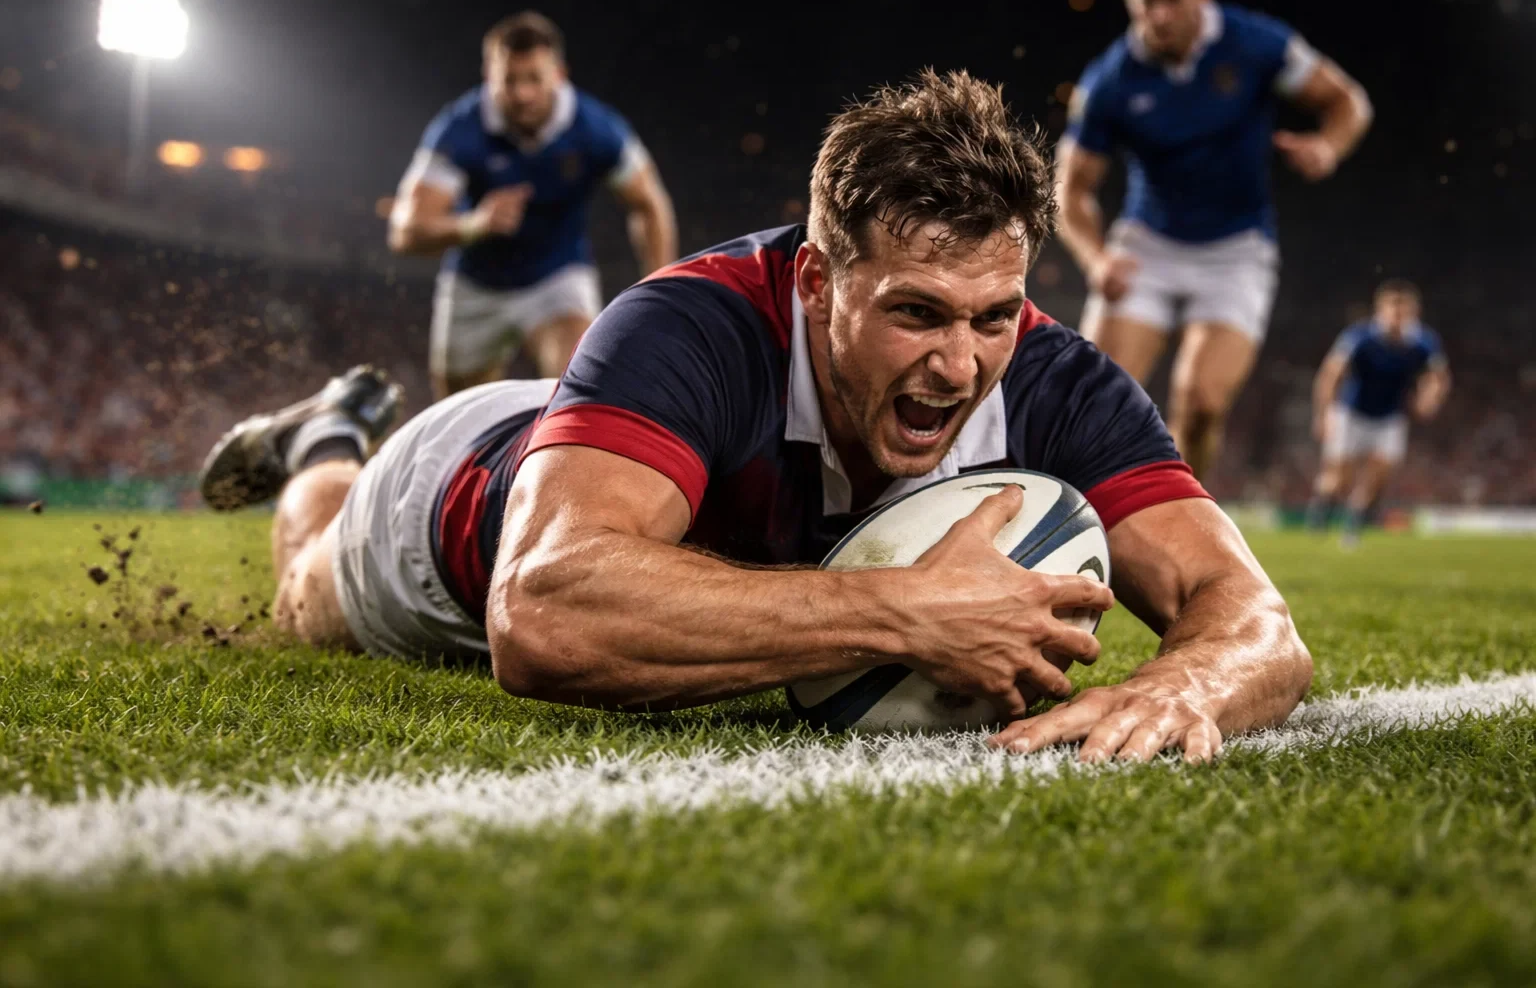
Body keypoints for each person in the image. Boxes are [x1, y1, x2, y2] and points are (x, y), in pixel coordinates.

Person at [202, 71, 1311, 764]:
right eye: (916, 313)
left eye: (993, 315)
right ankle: (327, 438)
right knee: (305, 587)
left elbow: (1253, 613)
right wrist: (902, 614)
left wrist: (1186, 681)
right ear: (818, 284)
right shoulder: (689, 323)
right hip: (461, 496)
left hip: (621, 440)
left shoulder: (1062, 378)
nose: (960, 361)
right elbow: (540, 616)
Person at [1055, 0, 1373, 479]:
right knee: (1098, 402)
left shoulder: (1258, 44)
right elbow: (1071, 192)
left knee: (1201, 402)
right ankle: (1084, 525)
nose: (1157, 15)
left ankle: (1185, 521)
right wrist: (1096, 259)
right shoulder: (1109, 80)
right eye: (1145, 1)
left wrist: (1328, 147)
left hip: (1237, 252)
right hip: (1147, 248)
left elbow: (1348, 102)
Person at [387, 11, 677, 396]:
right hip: (476, 285)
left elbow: (649, 204)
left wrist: (659, 294)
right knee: (460, 412)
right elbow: (405, 233)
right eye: (509, 80)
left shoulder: (596, 129)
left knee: (579, 384)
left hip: (558, 276)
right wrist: (473, 224)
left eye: (534, 79)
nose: (522, 94)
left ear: (559, 74)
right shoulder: (460, 129)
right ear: (488, 76)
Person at [1306, 280, 1450, 546]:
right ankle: (1322, 506)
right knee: (1339, 479)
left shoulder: (1422, 341)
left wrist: (1429, 399)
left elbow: (1437, 376)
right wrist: (1323, 414)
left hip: (1389, 418)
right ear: (1380, 311)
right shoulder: (1359, 337)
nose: (1398, 317)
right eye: (1393, 310)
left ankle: (1352, 527)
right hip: (1351, 413)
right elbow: (1331, 374)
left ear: (1413, 313)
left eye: (1404, 311)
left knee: (1379, 475)